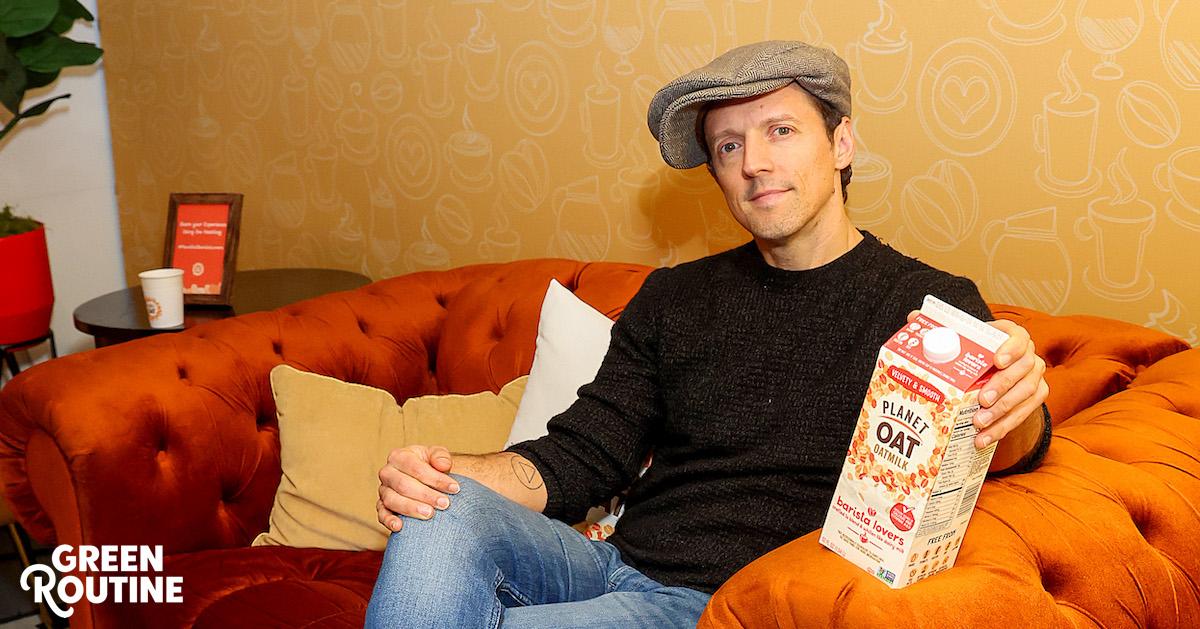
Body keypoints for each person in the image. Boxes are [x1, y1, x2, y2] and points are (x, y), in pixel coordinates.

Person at [365, 40, 1051, 628]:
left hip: (716, 602)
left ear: (842, 142)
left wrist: (1015, 403)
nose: (753, 161)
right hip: (612, 563)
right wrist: (444, 474)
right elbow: (582, 456)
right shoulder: (675, 296)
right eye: (729, 145)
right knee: (438, 514)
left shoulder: (922, 304)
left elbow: (1007, 448)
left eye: (780, 131)